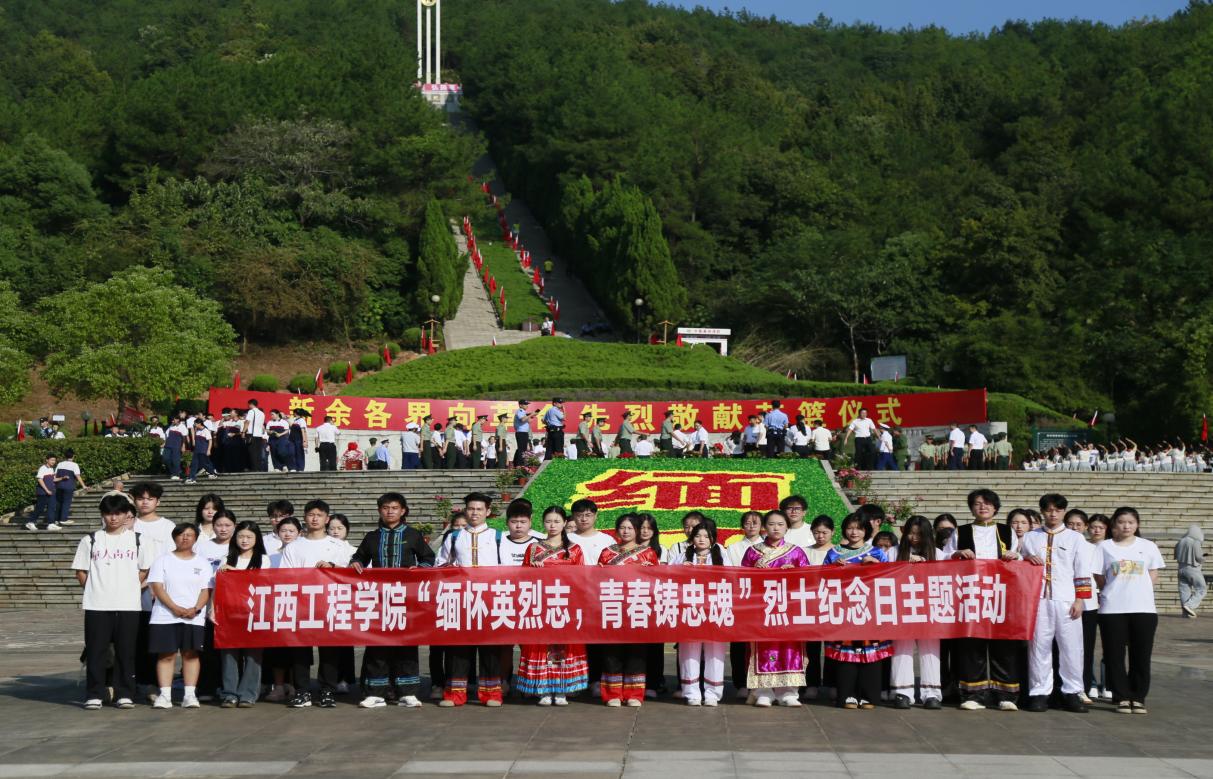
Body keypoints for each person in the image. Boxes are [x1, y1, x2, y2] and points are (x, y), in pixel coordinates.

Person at [350, 493, 435, 708]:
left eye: (395, 507)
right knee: (377, 644)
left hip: (406, 598)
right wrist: (355, 563)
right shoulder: (371, 537)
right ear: (380, 510)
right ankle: (375, 692)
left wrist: (420, 569)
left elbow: (428, 558)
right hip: (378, 599)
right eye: (386, 507)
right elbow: (359, 557)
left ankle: (407, 692)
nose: (390, 511)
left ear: (403, 511)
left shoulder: (413, 535)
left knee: (407, 643)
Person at [942, 489, 1021, 710]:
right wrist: (956, 555)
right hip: (971, 596)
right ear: (971, 508)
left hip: (1000, 594)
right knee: (971, 644)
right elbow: (946, 556)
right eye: (977, 503)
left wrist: (1016, 556)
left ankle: (1005, 695)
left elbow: (1019, 558)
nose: (982, 507)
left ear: (995, 507)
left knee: (1003, 644)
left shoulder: (1006, 531)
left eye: (987, 503)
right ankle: (972, 695)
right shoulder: (962, 531)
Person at [73, 495, 154, 710]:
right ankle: (94, 694)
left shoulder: (138, 540)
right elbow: (80, 571)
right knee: (96, 650)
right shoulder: (90, 539)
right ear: (102, 515)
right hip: (97, 604)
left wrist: (129, 587)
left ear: (127, 514)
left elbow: (145, 569)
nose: (113, 518)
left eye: (118, 513)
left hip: (128, 604)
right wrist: (94, 589)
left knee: (126, 651)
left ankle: (125, 693)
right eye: (109, 513)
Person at [1019, 493, 1091, 713]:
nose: (1053, 514)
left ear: (1063, 512)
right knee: (1039, 647)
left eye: (1058, 510)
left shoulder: (1075, 538)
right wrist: (1026, 559)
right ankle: (1039, 693)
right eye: (1049, 510)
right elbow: (1019, 564)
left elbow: (1082, 569)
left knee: (1071, 647)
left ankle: (1072, 692)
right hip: (1038, 600)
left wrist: (1080, 599)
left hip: (1066, 598)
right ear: (1042, 511)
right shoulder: (1030, 538)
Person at [280, 499, 353, 708]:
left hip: (330, 603)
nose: (314, 518)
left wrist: (332, 567)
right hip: (302, 604)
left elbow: (349, 573)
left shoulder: (339, 546)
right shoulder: (294, 546)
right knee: (300, 650)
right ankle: (302, 690)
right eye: (311, 514)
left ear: (326, 519)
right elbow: (286, 575)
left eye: (319, 515)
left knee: (329, 649)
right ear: (305, 517)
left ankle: (327, 690)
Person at [436, 493, 507, 707]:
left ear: (488, 511)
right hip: (460, 599)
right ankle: (455, 694)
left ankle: (491, 694)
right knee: (458, 648)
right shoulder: (454, 536)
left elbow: (506, 568)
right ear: (465, 511)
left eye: (479, 509)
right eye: (471, 509)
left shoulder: (498, 536)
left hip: (490, 598)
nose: (474, 513)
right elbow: (441, 564)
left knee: (490, 648)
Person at [516, 506, 588, 706]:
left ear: (565, 523)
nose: (552, 525)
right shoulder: (533, 549)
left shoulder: (574, 549)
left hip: (565, 604)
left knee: (565, 646)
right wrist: (534, 570)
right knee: (542, 645)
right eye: (548, 521)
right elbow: (523, 577)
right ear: (543, 523)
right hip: (541, 604)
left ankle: (562, 689)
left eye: (557, 521)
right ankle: (544, 689)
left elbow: (580, 578)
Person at [1095, 507, 1165, 714]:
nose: (1126, 526)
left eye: (1131, 522)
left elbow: (1153, 574)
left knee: (1141, 654)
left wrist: (1138, 590)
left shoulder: (1148, 546)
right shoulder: (1104, 547)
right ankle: (1121, 695)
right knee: (1114, 654)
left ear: (1137, 525)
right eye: (1121, 522)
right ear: (1114, 524)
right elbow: (1099, 576)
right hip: (1112, 609)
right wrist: (1112, 589)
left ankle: (1138, 695)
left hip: (1143, 608)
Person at [741, 510, 809, 707]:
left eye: (780, 524)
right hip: (761, 609)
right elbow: (742, 579)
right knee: (764, 647)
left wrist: (794, 574)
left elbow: (808, 581)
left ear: (787, 527)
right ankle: (764, 691)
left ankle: (789, 691)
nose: (776, 528)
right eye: (771, 524)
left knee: (789, 648)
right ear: (765, 526)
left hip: (788, 609)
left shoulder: (796, 552)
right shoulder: (753, 552)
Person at [824, 513, 890, 709]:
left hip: (869, 608)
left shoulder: (876, 553)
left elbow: (889, 579)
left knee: (870, 653)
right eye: (850, 528)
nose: (854, 532)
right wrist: (833, 569)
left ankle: (869, 695)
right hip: (844, 609)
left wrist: (876, 566)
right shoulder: (834, 553)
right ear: (844, 529)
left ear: (866, 531)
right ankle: (847, 695)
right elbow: (822, 579)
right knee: (846, 653)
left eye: (859, 528)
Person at [147, 523, 213, 709]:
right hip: (165, 616)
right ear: (174, 537)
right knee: (166, 655)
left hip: (194, 616)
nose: (185, 538)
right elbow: (158, 587)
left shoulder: (202, 562)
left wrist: (196, 608)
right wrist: (175, 608)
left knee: (190, 654)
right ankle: (165, 695)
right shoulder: (163, 560)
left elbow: (206, 589)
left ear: (196, 538)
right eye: (181, 534)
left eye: (190, 535)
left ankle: (190, 694)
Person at [598, 513, 660, 707]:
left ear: (636, 531)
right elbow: (596, 579)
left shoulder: (648, 553)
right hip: (613, 605)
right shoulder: (607, 553)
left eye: (630, 528)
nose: (625, 531)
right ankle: (612, 693)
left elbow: (655, 581)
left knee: (637, 651)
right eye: (622, 528)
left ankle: (634, 693)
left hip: (637, 606)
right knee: (612, 651)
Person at [676, 523, 731, 706]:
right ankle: (691, 692)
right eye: (698, 536)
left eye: (706, 536)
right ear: (692, 538)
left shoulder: (722, 556)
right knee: (688, 651)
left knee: (715, 652)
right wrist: (680, 569)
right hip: (689, 609)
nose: (701, 539)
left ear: (712, 539)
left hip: (715, 609)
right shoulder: (683, 556)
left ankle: (712, 693)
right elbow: (666, 578)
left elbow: (732, 579)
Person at [891, 516, 942, 709]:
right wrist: (904, 562)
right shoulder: (895, 552)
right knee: (901, 649)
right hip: (901, 606)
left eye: (919, 534)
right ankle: (902, 692)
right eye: (910, 533)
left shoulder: (937, 553)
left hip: (930, 607)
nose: (914, 538)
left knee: (931, 649)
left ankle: (932, 693)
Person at [215, 520, 268, 707]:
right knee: (229, 654)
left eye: (249, 537)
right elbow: (218, 587)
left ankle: (248, 693)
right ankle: (229, 693)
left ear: (257, 539)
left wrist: (235, 572)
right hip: (230, 612)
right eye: (241, 536)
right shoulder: (226, 558)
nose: (244, 540)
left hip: (255, 612)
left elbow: (261, 583)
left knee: (253, 656)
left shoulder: (263, 559)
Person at [132, 482, 176, 698]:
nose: (145, 502)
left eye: (149, 498)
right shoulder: (128, 524)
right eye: (141, 498)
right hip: (130, 588)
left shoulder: (167, 527)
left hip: (158, 589)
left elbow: (171, 558)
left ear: (158, 501)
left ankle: (152, 682)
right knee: (135, 635)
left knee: (154, 637)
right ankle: (135, 680)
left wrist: (156, 584)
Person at [1065, 510, 1103, 703]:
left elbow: (1096, 576)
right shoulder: (1059, 545)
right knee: (1064, 648)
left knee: (1085, 649)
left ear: (1085, 527)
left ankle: (1084, 687)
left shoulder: (1093, 549)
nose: (1074, 528)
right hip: (1064, 602)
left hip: (1087, 604)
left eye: (1078, 524)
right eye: (1070, 524)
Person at [1175, 524, 1205, 618]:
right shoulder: (1195, 542)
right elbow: (1198, 557)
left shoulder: (1180, 541)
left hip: (1181, 568)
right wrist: (1204, 558)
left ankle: (1186, 613)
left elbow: (1175, 555)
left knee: (1184, 590)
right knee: (1201, 588)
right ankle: (1189, 606)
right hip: (1192, 569)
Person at [25, 454, 60, 531]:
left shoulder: (51, 469)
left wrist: (62, 478)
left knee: (52, 507)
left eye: (54, 460)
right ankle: (30, 522)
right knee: (40, 508)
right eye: (52, 460)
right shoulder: (42, 468)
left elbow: (53, 479)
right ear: (47, 460)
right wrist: (47, 490)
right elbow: (39, 479)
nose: (53, 462)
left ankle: (51, 524)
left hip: (51, 492)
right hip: (43, 493)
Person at [52, 449, 86, 527]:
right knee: (66, 502)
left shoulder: (60, 464)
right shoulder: (74, 465)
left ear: (65, 456)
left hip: (59, 485)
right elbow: (77, 476)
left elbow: (55, 474)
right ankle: (63, 519)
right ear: (73, 456)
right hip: (69, 486)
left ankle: (56, 519)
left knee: (59, 502)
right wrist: (83, 485)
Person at [187, 418, 219, 483]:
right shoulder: (197, 431)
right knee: (194, 464)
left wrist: (209, 450)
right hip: (197, 450)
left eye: (195, 423)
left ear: (199, 424)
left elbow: (210, 441)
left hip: (203, 450)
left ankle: (212, 473)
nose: (194, 425)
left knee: (205, 464)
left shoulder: (206, 431)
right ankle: (192, 478)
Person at [242, 400, 268, 472]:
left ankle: (253, 468)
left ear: (251, 404)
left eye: (248, 404)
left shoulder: (251, 411)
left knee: (251, 452)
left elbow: (247, 422)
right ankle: (258, 468)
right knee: (258, 452)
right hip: (259, 435)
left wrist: (243, 431)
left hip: (251, 434)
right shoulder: (262, 413)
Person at [163, 415, 188, 480]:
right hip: (168, 445)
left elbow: (184, 437)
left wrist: (183, 446)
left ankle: (176, 474)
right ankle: (174, 472)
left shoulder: (182, 427)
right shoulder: (171, 426)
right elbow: (167, 435)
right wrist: (164, 443)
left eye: (173, 420)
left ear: (177, 420)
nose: (172, 421)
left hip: (176, 446)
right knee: (165, 458)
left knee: (175, 460)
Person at [513, 401, 534, 466]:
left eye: (527, 404)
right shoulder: (520, 411)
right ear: (520, 405)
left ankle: (519, 463)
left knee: (523, 449)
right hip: (521, 432)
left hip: (524, 433)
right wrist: (530, 415)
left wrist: (532, 415)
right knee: (521, 449)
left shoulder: (524, 412)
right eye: (525, 404)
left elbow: (529, 421)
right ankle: (519, 464)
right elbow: (522, 419)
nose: (527, 405)